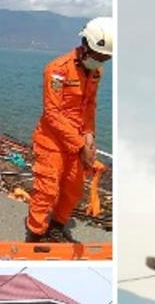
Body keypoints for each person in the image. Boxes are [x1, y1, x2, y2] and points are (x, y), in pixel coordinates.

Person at [25, 17, 113, 243]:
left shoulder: (96, 73)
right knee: (46, 190)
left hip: (78, 141)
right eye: (98, 56)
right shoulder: (57, 70)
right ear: (85, 45)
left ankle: (57, 227)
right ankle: (35, 235)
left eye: (105, 58)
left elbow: (89, 106)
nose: (100, 61)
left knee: (73, 189)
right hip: (51, 142)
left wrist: (90, 137)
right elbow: (52, 113)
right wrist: (81, 144)